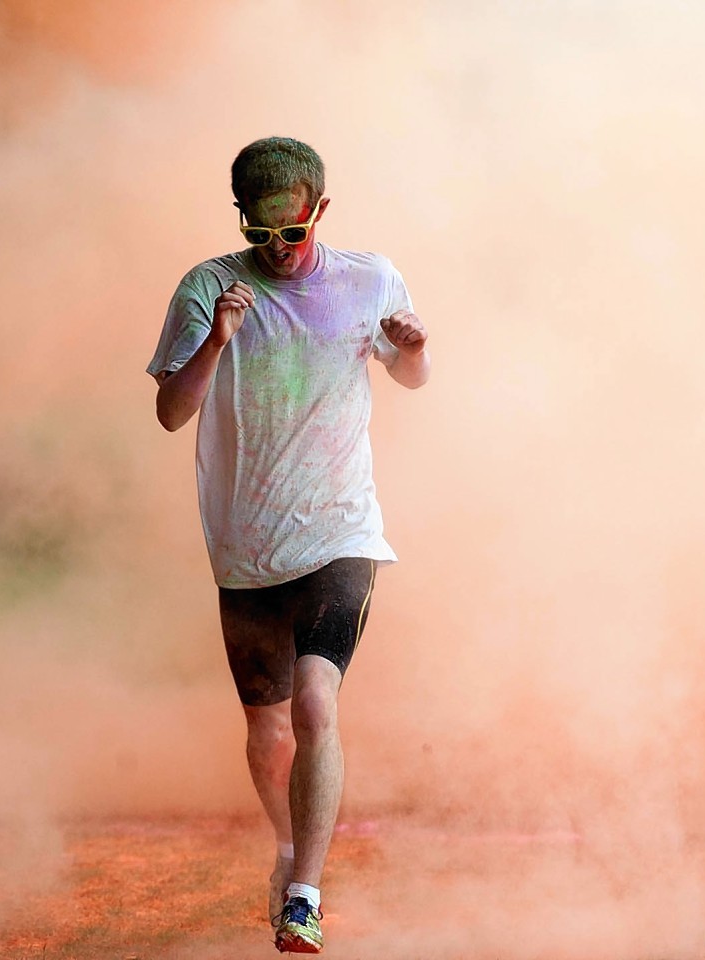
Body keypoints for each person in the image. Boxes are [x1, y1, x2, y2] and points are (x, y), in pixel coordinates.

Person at [147, 136, 430, 953]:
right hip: (244, 546)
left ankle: (303, 893)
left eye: (292, 233)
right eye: (260, 233)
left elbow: (409, 376)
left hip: (341, 530)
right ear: (244, 219)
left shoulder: (370, 278)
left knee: (314, 704)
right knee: (268, 732)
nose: (277, 250)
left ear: (319, 211)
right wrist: (216, 342)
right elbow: (172, 414)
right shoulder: (209, 287)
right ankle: (285, 849)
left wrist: (412, 349)